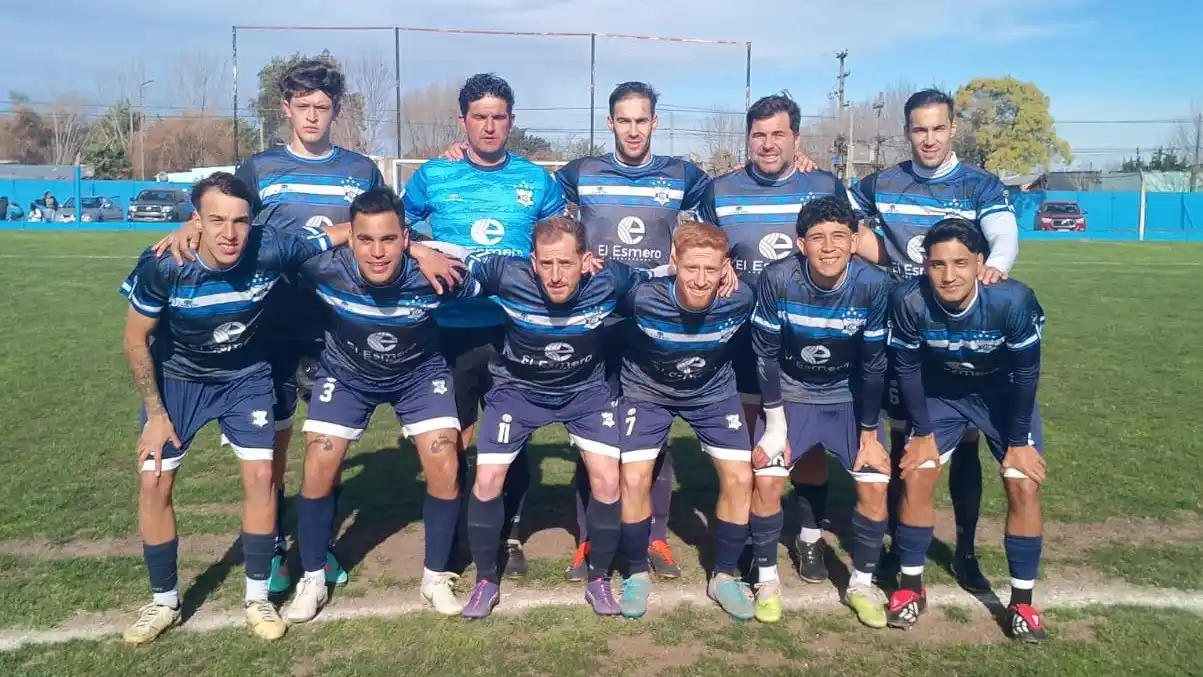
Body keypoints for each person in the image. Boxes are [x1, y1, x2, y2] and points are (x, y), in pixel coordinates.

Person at [116, 172, 350, 645]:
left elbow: (344, 232)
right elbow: (134, 339)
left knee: (262, 478)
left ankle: (258, 596)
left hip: (245, 376)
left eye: (240, 221)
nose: (229, 233)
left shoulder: (271, 248)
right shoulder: (164, 265)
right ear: (195, 221)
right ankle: (163, 602)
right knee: (155, 478)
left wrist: (420, 247)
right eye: (216, 220)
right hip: (179, 378)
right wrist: (156, 414)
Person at [431, 216, 664, 619]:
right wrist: (416, 247)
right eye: (546, 264)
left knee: (608, 481)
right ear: (532, 261)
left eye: (566, 264)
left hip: (585, 393)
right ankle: (486, 580)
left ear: (586, 260)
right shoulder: (507, 275)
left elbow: (664, 274)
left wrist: (721, 267)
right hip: (518, 392)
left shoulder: (610, 280)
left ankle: (599, 581)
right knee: (487, 479)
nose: (556, 276)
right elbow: (459, 257)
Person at [849, 88, 1020, 591]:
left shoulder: (978, 185)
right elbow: (842, 215)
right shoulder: (884, 181)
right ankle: (903, 546)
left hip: (960, 332)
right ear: (908, 132)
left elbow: (1005, 234)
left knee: (965, 445)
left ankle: (965, 551)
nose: (929, 138)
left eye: (938, 128)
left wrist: (995, 268)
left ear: (952, 129)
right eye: (919, 129)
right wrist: (871, 250)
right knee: (907, 439)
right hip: (905, 330)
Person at [281, 187, 477, 622]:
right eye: (365, 239)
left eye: (388, 239)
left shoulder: (434, 272)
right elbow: (275, 250)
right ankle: (312, 576)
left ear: (405, 239)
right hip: (347, 373)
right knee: (320, 457)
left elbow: (496, 271)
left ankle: (435, 576)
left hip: (418, 374)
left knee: (444, 455)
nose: (376, 252)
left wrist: (429, 252)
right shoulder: (325, 268)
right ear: (350, 238)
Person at [404, 73, 568, 579]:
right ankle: (457, 533)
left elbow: (559, 238)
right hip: (448, 330)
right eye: (480, 117)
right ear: (464, 122)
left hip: (513, 331)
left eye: (499, 117)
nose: (490, 126)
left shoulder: (537, 180)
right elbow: (392, 229)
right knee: (451, 435)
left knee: (509, 433)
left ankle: (510, 533)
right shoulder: (434, 175)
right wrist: (418, 249)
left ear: (511, 121)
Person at [231, 58, 386, 594]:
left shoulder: (361, 170)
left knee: (328, 441)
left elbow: (383, 226)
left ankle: (318, 549)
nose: (313, 115)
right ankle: (273, 546)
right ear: (287, 108)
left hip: (336, 324)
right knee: (272, 441)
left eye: (323, 106)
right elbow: (226, 219)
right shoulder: (258, 169)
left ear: (336, 110)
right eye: (304, 106)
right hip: (270, 323)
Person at [697, 93, 850, 585]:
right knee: (744, 438)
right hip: (742, 334)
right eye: (759, 134)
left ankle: (808, 538)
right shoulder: (720, 190)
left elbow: (846, 247)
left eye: (778, 134)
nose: (768, 143)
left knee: (805, 447)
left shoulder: (824, 184)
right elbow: (704, 248)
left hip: (805, 335)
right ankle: (743, 534)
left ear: (795, 138)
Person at [884, 218, 1047, 643]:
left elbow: (1027, 374)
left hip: (1001, 395)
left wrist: (1016, 444)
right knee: (917, 474)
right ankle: (910, 585)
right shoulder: (908, 301)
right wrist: (920, 433)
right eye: (938, 264)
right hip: (944, 394)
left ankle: (1022, 602)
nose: (949, 275)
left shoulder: (1012, 301)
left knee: (1023, 482)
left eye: (960, 263)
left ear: (980, 263)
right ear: (925, 265)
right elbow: (906, 368)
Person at [749, 196, 892, 627]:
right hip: (791, 396)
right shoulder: (777, 279)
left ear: (854, 242)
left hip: (847, 400)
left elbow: (873, 364)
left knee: (874, 486)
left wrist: (869, 433)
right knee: (767, 482)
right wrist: (775, 425)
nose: (828, 247)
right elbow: (765, 356)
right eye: (817, 238)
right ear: (801, 244)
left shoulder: (874, 284)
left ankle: (862, 584)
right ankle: (767, 579)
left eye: (838, 237)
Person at [613, 221, 755, 621]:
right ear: (673, 261)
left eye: (711, 269)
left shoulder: (741, 297)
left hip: (712, 392)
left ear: (725, 267)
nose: (701, 279)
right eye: (692, 268)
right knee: (635, 477)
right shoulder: (642, 297)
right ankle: (638, 574)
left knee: (741, 477)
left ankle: (724, 576)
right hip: (647, 392)